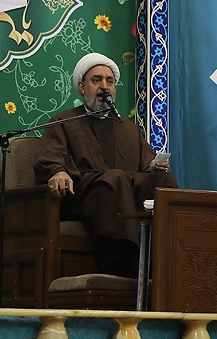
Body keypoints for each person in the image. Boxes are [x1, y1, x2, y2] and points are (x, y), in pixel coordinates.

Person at [33, 52, 178, 277]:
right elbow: (50, 158)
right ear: (82, 87)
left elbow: (145, 164)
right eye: (96, 80)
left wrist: (154, 167)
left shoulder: (129, 129)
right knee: (115, 178)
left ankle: (169, 261)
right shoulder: (64, 121)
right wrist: (58, 171)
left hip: (124, 191)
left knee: (162, 180)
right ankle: (123, 265)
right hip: (83, 194)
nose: (104, 86)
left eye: (109, 81)